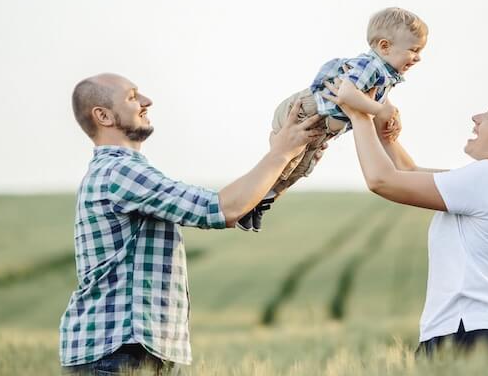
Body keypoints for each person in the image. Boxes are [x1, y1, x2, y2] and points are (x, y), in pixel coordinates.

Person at [60, 73, 326, 375]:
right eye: (133, 97)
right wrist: (280, 152)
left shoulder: (125, 172)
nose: (147, 102)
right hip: (118, 353)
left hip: (131, 351)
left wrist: (289, 168)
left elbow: (240, 209)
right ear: (103, 115)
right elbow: (221, 209)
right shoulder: (120, 172)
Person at [324, 85, 488, 371]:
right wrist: (387, 137)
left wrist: (359, 116)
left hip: (473, 335)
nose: (476, 118)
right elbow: (407, 174)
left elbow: (382, 180)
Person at [236, 7, 428, 232]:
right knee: (287, 164)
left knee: (300, 169)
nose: (418, 57)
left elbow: (378, 99)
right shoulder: (369, 65)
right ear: (385, 46)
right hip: (302, 113)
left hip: (320, 126)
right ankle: (245, 201)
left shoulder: (384, 73)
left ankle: (256, 205)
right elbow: (346, 93)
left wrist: (391, 112)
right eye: (414, 50)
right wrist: (379, 110)